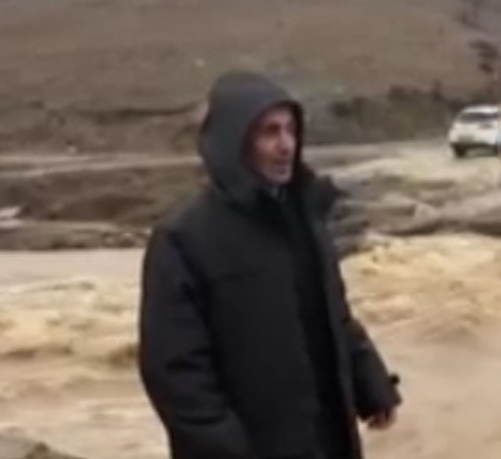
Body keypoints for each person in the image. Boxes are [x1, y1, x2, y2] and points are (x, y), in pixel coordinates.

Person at [137, 71, 401, 459]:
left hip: (326, 441)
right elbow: (174, 370)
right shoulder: (184, 238)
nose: (285, 146)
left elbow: (332, 316)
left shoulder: (305, 221)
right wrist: (224, 448)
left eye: (291, 130)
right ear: (235, 143)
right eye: (269, 132)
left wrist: (371, 383)